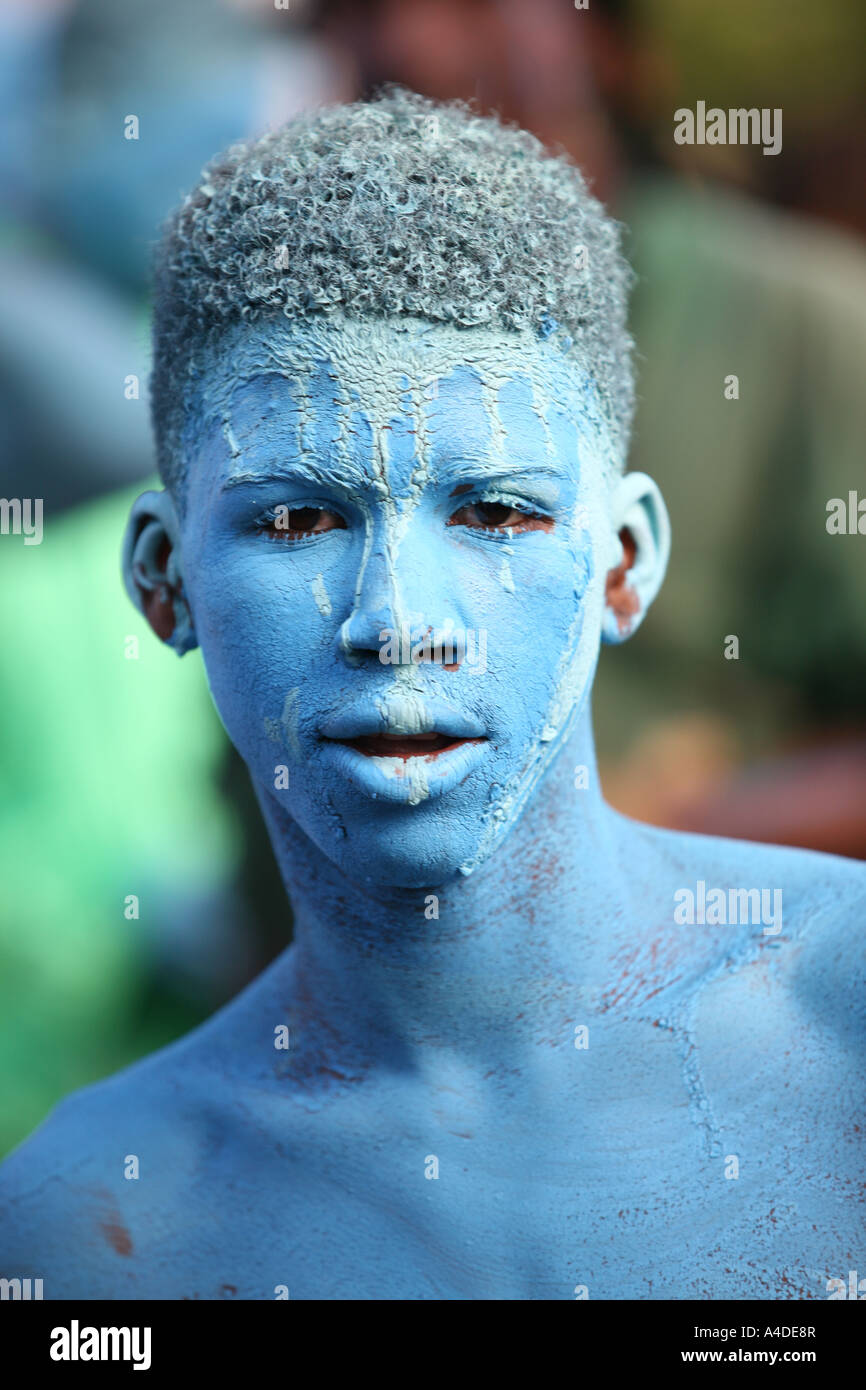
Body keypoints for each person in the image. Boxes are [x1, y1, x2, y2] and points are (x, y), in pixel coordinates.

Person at [1, 90, 862, 1301]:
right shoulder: (95, 1227)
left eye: (496, 511)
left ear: (621, 563)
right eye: (297, 517)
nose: (397, 617)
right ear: (163, 579)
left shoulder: (845, 1024)